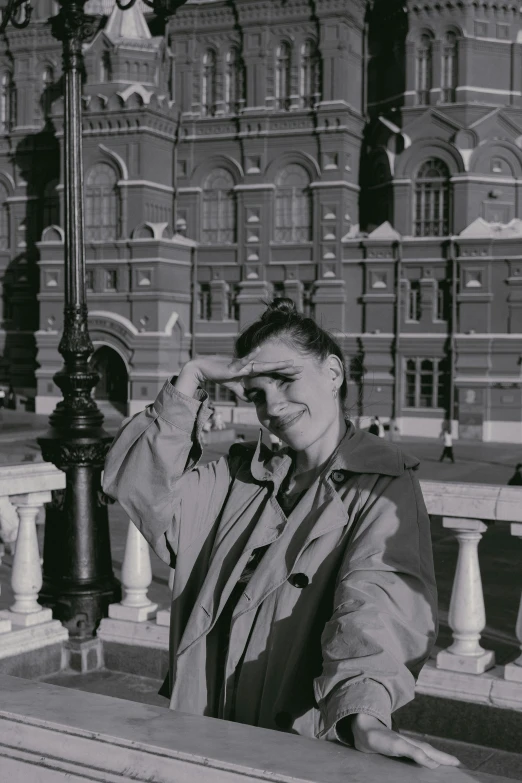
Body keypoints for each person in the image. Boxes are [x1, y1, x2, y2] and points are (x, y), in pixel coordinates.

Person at [103, 297, 459, 771]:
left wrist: (364, 713)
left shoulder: (382, 482)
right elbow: (137, 488)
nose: (272, 405)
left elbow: (380, 601)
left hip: (297, 738)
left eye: (286, 380)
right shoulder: (238, 475)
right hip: (207, 723)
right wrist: (189, 381)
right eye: (255, 394)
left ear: (333, 373)